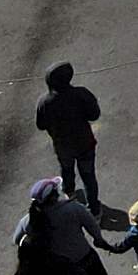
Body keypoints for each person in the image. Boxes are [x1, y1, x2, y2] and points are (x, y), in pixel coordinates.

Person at [34, 61, 103, 208]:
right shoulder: (81, 94)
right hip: (85, 144)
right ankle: (94, 209)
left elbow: (40, 125)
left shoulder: (44, 102)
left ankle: (69, 195)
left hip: (62, 146)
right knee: (88, 176)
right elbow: (94, 115)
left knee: (66, 170)